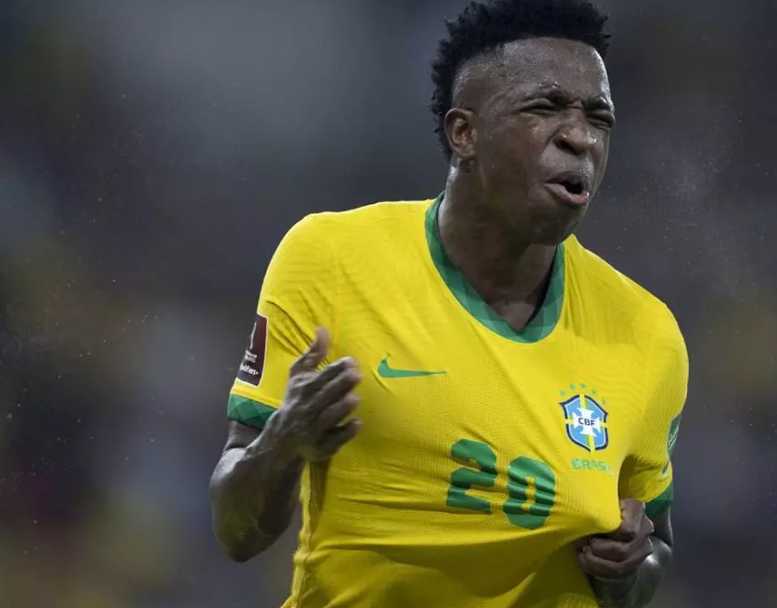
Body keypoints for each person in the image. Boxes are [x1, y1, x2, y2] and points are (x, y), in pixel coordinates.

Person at [208, 0, 688, 606]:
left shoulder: (647, 334)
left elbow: (653, 551)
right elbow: (236, 532)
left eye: (599, 117)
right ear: (464, 133)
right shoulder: (329, 259)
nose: (581, 137)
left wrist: (626, 568)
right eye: (545, 108)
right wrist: (281, 445)